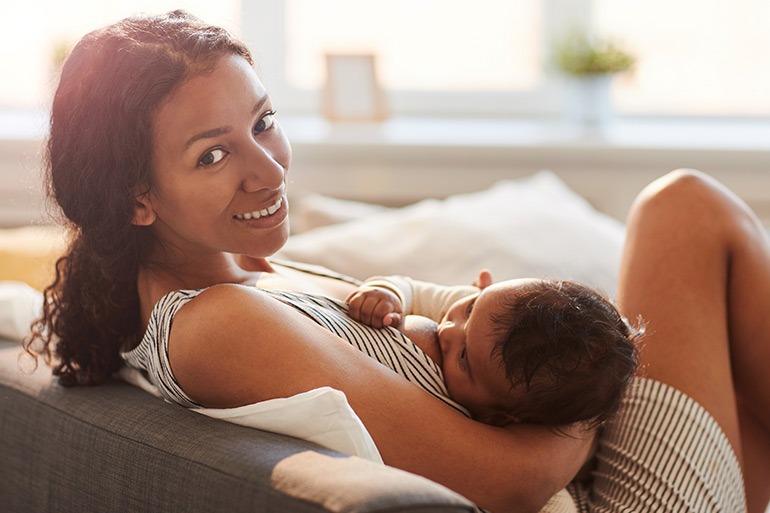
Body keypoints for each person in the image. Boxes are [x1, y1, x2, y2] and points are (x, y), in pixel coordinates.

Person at [24, 9, 768, 513]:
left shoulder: (245, 270)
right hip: (603, 493)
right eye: (213, 154)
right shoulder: (216, 322)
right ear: (136, 198)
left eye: (264, 122)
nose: (269, 171)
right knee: (684, 207)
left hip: (598, 464)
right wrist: (596, 381)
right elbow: (505, 482)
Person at [345, 272, 640, 428]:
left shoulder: (510, 441)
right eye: (471, 309)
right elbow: (412, 289)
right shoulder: (469, 305)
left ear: (498, 417)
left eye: (463, 357)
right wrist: (388, 294)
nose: (448, 329)